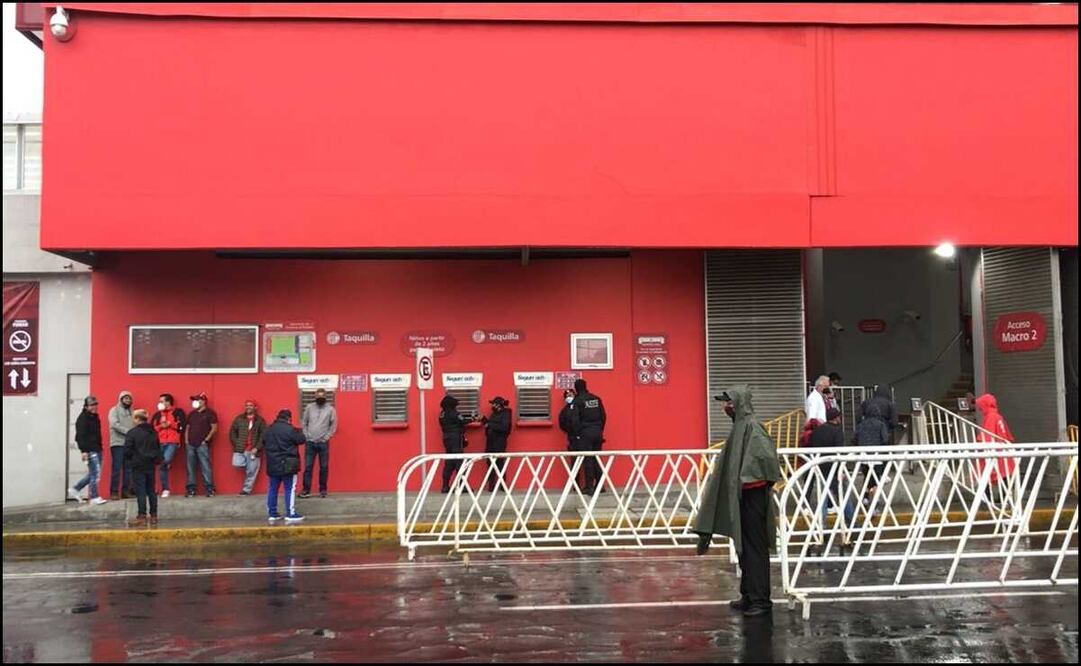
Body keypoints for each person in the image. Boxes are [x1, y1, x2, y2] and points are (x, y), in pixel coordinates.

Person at [693, 387, 781, 618]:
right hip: (742, 498)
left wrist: (746, 482)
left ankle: (761, 600)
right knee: (743, 548)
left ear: (738, 403)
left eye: (728, 402)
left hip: (753, 498)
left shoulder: (753, 428)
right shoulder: (740, 428)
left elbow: (765, 464)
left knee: (754, 549)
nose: (724, 407)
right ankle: (749, 594)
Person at [808, 407, 855, 534]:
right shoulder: (837, 432)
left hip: (820, 466)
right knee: (844, 496)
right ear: (836, 418)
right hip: (834, 469)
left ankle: (821, 524)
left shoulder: (816, 431)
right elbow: (839, 452)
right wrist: (841, 470)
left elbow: (810, 447)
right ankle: (851, 522)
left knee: (822, 496)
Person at [262, 409, 306, 523]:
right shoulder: (290, 429)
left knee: (272, 488)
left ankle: (272, 513)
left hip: (272, 464)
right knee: (289, 489)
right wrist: (299, 431)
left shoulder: (269, 429)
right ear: (289, 418)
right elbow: (302, 440)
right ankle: (290, 513)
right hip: (288, 464)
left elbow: (263, 441)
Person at [123, 409, 163, 527]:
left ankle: (142, 516)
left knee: (141, 491)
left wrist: (131, 459)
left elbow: (127, 451)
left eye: (134, 418)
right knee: (151, 490)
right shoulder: (153, 432)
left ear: (137, 419)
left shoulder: (132, 433)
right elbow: (157, 448)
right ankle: (154, 515)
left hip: (138, 465)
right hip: (150, 465)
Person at [69, 395, 109, 505]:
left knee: (93, 473)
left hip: (97, 448)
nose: (94, 407)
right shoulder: (83, 419)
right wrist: (84, 451)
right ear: (86, 406)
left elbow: (96, 435)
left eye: (95, 404)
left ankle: (75, 489)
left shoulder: (94, 417)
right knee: (96, 474)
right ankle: (94, 497)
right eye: (92, 405)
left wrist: (100, 446)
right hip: (90, 450)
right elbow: (80, 437)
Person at [570, 379, 607, 495]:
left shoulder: (578, 401)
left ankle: (589, 487)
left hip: (585, 433)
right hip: (597, 431)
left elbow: (575, 420)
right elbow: (603, 416)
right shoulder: (596, 398)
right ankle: (600, 485)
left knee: (587, 459)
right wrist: (600, 430)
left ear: (576, 388)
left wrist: (577, 434)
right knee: (596, 458)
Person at [300, 388, 337, 499]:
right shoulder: (309, 408)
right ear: (315, 397)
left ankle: (323, 490)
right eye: (318, 396)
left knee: (324, 467)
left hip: (323, 443)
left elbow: (333, 425)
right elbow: (304, 422)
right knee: (308, 467)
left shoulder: (330, 409)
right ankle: (306, 490)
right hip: (310, 443)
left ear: (325, 397)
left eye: (322, 396)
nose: (320, 398)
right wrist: (307, 436)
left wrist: (326, 437)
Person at [975, 393, 1016, 484]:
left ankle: (988, 497)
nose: (980, 410)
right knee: (1005, 476)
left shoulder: (990, 417)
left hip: (997, 453)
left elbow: (987, 436)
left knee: (988, 476)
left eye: (981, 407)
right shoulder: (998, 416)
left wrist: (981, 446)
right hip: (1004, 451)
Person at [229, 399, 267, 496]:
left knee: (252, 472)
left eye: (250, 405)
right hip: (240, 449)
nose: (248, 407)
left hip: (254, 451)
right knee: (236, 463)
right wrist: (236, 443)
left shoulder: (260, 420)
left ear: (255, 407)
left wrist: (257, 448)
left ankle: (246, 490)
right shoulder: (239, 418)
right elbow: (232, 432)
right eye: (246, 405)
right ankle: (247, 466)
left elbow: (263, 435)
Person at [151, 393, 186, 498]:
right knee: (162, 465)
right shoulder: (157, 415)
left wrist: (171, 424)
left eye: (162, 401)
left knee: (165, 461)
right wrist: (161, 426)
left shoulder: (178, 412)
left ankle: (167, 464)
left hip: (172, 441)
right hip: (160, 442)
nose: (160, 403)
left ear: (168, 402)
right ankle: (165, 489)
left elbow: (182, 426)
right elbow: (151, 429)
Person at [184, 392, 218, 497]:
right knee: (190, 466)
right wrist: (186, 440)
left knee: (205, 466)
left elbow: (214, 428)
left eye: (197, 400)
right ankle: (191, 489)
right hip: (190, 444)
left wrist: (206, 440)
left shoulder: (210, 413)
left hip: (202, 444)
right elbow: (187, 428)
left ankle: (209, 488)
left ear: (203, 401)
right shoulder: (192, 414)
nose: (195, 402)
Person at [854, 401, 891, 495]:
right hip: (877, 457)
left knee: (866, 478)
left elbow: (854, 438)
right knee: (875, 479)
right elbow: (885, 439)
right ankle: (874, 505)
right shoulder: (880, 424)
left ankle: (865, 498)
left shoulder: (861, 425)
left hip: (863, 456)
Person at [438, 394, 473, 493]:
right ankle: (461, 486)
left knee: (449, 461)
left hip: (446, 438)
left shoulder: (442, 413)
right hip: (455, 438)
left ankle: (445, 486)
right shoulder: (453, 413)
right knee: (459, 461)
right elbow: (463, 421)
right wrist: (473, 419)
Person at [480, 396, 513, 492]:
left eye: (493, 404)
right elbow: (490, 425)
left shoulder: (506, 414)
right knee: (490, 464)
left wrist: (489, 424)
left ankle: (502, 486)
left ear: (499, 405)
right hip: (490, 442)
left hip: (499, 443)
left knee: (499, 464)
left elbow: (504, 427)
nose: (492, 406)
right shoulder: (494, 414)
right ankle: (491, 486)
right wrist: (484, 420)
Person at [107, 390, 135, 500]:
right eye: (125, 398)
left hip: (129, 444)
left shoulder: (132, 412)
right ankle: (114, 492)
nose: (127, 400)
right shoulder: (114, 410)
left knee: (128, 469)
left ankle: (125, 491)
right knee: (116, 469)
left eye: (129, 398)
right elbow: (114, 424)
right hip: (117, 443)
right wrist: (128, 431)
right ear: (121, 399)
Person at [558, 389, 584, 489]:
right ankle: (576, 485)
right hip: (572, 439)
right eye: (567, 395)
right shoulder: (564, 411)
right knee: (574, 462)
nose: (569, 397)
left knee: (588, 460)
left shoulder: (580, 407)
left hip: (583, 437)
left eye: (571, 395)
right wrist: (570, 430)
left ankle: (589, 485)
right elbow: (562, 424)